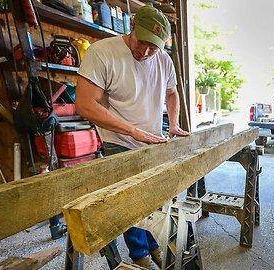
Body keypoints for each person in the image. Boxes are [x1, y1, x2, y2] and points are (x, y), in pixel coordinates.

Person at [75, 5, 190, 270]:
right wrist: (132, 131)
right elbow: (85, 104)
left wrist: (173, 124)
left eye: (154, 47)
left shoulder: (163, 60)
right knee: (133, 204)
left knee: (155, 199)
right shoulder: (102, 53)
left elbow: (172, 93)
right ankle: (140, 256)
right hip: (120, 141)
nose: (146, 52)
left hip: (154, 139)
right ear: (132, 27)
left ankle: (154, 247)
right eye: (142, 43)